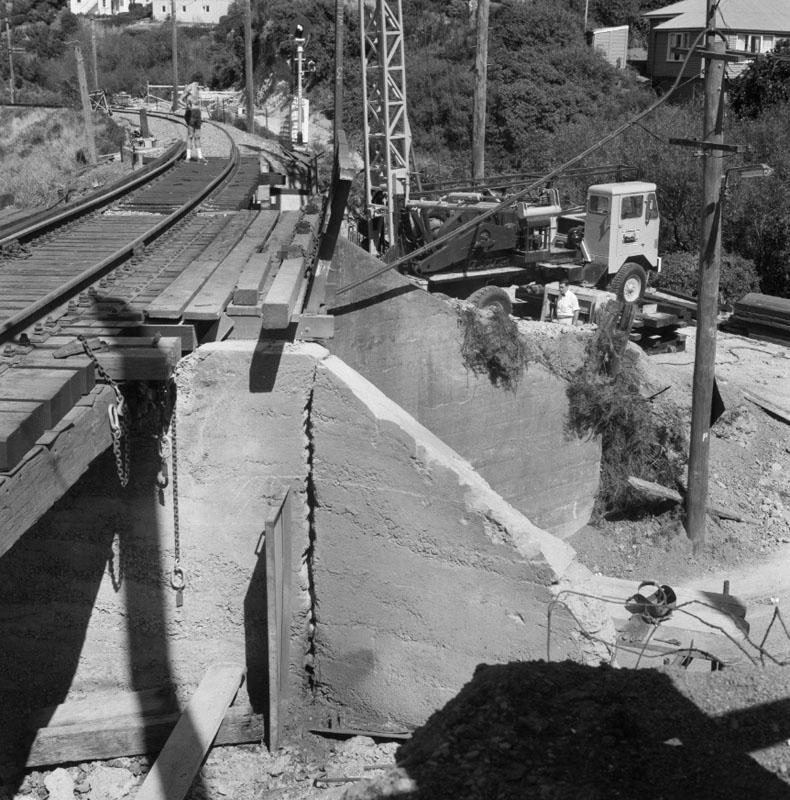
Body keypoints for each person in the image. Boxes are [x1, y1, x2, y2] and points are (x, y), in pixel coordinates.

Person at [180, 75, 206, 163]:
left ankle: (200, 156)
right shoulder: (189, 88)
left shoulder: (198, 89)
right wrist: (186, 105)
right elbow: (179, 99)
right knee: (190, 135)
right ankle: (188, 157)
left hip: (197, 113)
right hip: (190, 113)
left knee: (198, 136)